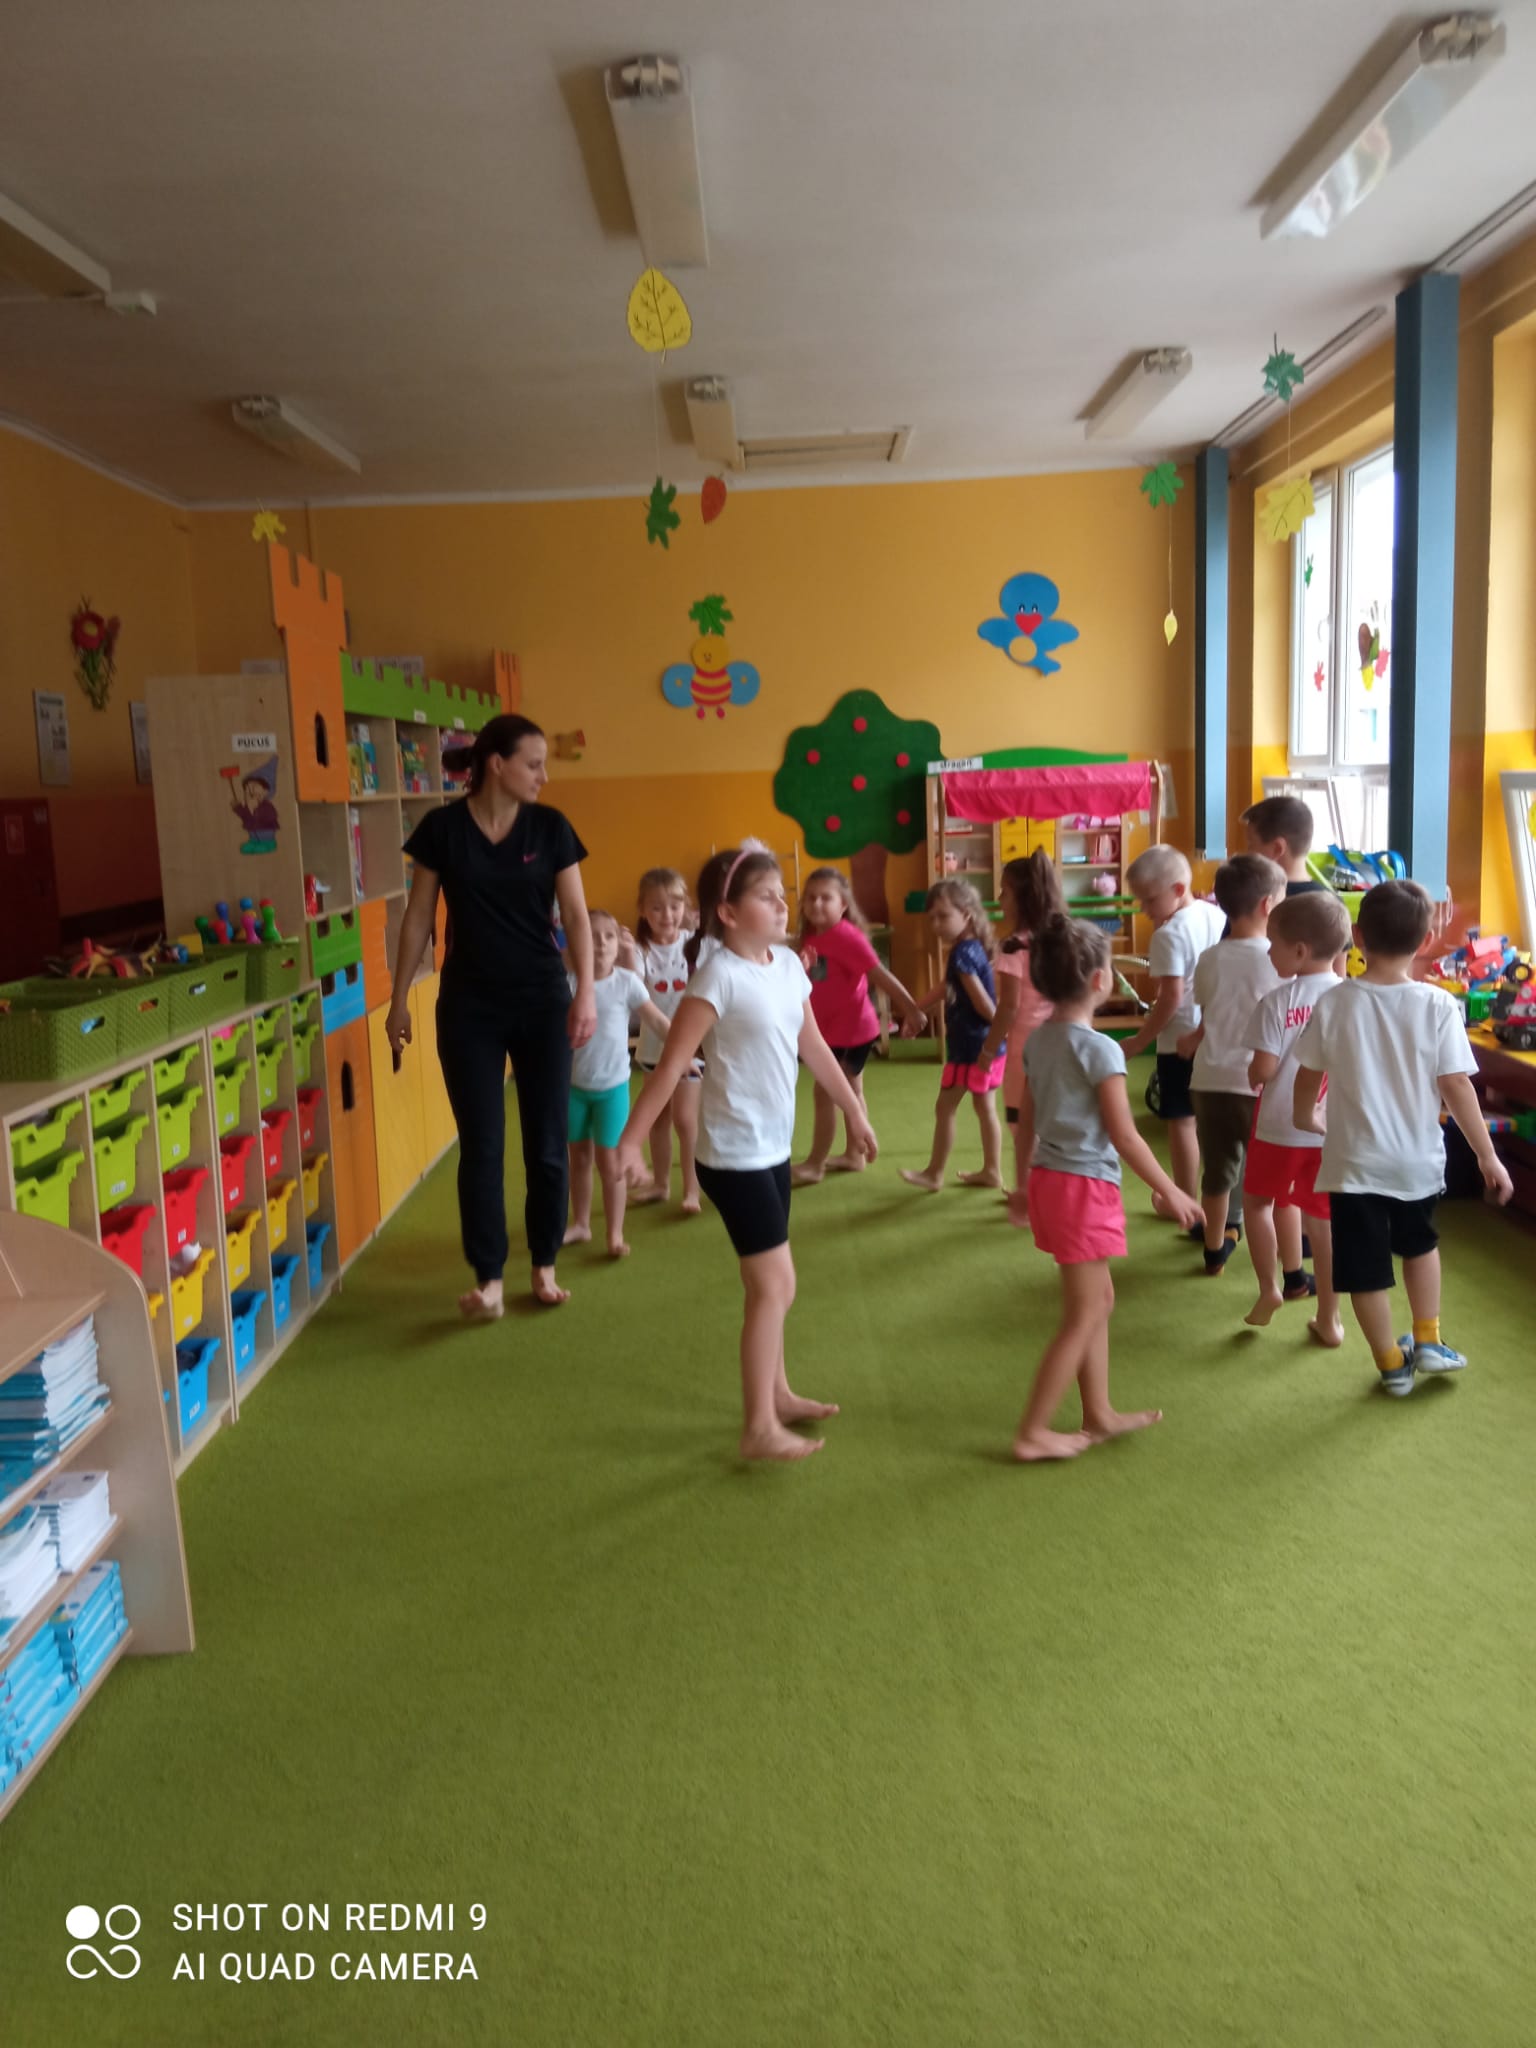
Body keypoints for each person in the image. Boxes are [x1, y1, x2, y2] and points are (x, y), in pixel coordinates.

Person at [617, 843, 877, 1462]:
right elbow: (671, 1066)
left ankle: (778, 1394)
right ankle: (758, 1427)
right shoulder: (717, 978)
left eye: (782, 894)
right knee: (775, 1284)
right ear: (728, 913)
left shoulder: (786, 966)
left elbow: (814, 1046)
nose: (783, 904)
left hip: (773, 1147)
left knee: (768, 1284)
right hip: (732, 1156)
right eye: (766, 896)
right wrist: (630, 1142)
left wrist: (854, 1110)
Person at [385, 714, 594, 1320]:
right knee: (481, 1146)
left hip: (543, 1001)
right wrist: (398, 1000)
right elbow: (418, 918)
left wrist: (585, 991)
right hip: (469, 1007)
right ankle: (490, 1278)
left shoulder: (551, 828)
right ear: (497, 765)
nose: (543, 775)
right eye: (534, 764)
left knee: (547, 1142)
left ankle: (544, 1264)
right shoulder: (442, 829)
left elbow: (576, 916)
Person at [1292, 879, 1512, 1395]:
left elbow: (1308, 1073)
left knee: (1364, 1269)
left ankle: (1392, 1364)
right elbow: (1456, 1086)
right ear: (1427, 940)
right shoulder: (1438, 1006)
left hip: (1353, 1164)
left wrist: (1306, 1116)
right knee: (1420, 1246)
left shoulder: (1335, 1002)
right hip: (1415, 1161)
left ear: (1357, 936)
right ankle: (1428, 1338)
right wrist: (1487, 1156)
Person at [1013, 915, 1204, 1462]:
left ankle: (1097, 1412)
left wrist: (1022, 1183)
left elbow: (1025, 1120)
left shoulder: (1039, 1041)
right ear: (1100, 981)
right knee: (1083, 1313)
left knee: (1099, 1302)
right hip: (1081, 1189)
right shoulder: (1101, 1050)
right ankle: (1033, 1430)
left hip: (1051, 1182)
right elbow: (1124, 1135)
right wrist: (1171, 1189)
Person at [1239, 890, 1352, 1340]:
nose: (1269, 952)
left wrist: (1253, 1072)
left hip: (1278, 1127)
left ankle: (1270, 1288)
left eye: (1274, 944)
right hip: (1329, 1130)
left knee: (1257, 1204)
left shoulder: (1277, 1002)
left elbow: (1264, 1070)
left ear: (1301, 951)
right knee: (1323, 1223)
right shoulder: (1350, 999)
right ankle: (1330, 1317)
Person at [1177, 854, 1286, 1273]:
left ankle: (1213, 1249)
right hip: (1256, 1084)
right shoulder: (1278, 959)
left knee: (1218, 1171)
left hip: (1208, 1081)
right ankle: (1280, 1259)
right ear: (1267, 905)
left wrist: (1196, 1038)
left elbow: (1209, 1015)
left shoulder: (1210, 957)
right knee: (1266, 1177)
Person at [792, 867, 923, 1185]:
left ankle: (815, 1164)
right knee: (852, 1090)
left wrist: (912, 1010)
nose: (817, 903)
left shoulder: (847, 937)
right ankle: (854, 1154)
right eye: (811, 897)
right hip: (832, 1030)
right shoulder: (810, 936)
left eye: (826, 898)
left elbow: (881, 976)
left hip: (851, 1031)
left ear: (843, 905)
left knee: (825, 1093)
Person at [1123, 846, 1225, 1213]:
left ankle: (1183, 1199)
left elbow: (1170, 998)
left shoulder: (1168, 935)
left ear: (1178, 889)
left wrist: (1140, 1041)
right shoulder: (1215, 914)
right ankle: (1217, 1201)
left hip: (1178, 1038)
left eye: (1150, 900)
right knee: (1211, 1120)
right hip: (1213, 1033)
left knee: (1180, 1120)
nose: (1144, 909)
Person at [564, 910, 670, 1259]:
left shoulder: (626, 983)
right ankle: (581, 1223)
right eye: (591, 936)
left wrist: (687, 1051)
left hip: (612, 1091)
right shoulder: (569, 983)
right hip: (574, 1089)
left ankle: (615, 1233)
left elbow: (657, 1021)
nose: (600, 944)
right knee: (579, 1158)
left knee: (611, 1163)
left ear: (619, 942)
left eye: (608, 936)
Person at [975, 850, 1064, 1224]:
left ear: (1023, 898)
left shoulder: (1014, 947)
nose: (999, 899)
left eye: (1004, 892)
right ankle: (1048, 1192)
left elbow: (1009, 1008)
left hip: (1025, 1048)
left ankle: (1028, 1196)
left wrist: (987, 1049)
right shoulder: (1058, 938)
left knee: (1022, 1123)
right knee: (1053, 1119)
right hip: (1060, 1043)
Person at [899, 880, 1004, 1191]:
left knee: (945, 1107)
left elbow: (983, 1003)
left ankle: (934, 1174)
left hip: (973, 1047)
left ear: (967, 915)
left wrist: (1001, 1024)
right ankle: (992, 1171)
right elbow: (949, 988)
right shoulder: (973, 947)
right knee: (985, 1108)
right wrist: (916, 1009)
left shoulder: (961, 952)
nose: (936, 924)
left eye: (943, 916)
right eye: (931, 918)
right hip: (985, 1044)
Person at [624, 867, 702, 1214]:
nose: (667, 915)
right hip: (654, 1046)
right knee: (658, 1120)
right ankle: (660, 1183)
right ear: (642, 910)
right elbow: (635, 987)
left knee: (686, 1120)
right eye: (656, 907)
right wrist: (627, 953)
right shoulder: (640, 949)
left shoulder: (693, 943)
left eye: (674, 906)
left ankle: (692, 1189)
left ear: (685, 906)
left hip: (691, 1046)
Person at [1241, 795, 1331, 897]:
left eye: (1250, 844)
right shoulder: (1330, 901)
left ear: (1277, 849)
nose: (1247, 852)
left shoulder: (1257, 900)